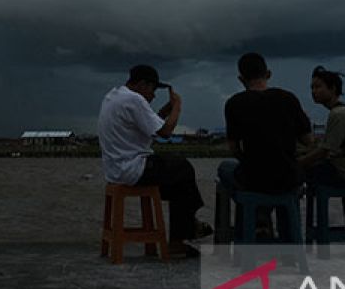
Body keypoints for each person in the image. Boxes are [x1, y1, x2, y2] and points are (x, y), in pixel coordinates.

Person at [97, 64, 208, 256]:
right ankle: (182, 234)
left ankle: (186, 227)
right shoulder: (134, 100)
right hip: (133, 168)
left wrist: (166, 110)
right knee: (183, 168)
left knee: (178, 178)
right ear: (142, 85)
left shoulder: (114, 96)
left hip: (116, 170)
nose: (153, 95)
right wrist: (178, 107)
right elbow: (164, 132)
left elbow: (149, 124)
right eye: (153, 90)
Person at [219, 53, 313, 194]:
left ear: (241, 79)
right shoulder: (289, 98)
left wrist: (247, 161)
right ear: (268, 74)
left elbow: (234, 148)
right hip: (289, 178)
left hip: (254, 178)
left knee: (225, 168)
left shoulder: (234, 103)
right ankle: (284, 214)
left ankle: (253, 212)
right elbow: (308, 140)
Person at [298, 65, 345, 187]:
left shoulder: (339, 114)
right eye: (312, 88)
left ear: (333, 89)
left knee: (294, 174)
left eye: (318, 87)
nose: (313, 91)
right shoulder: (342, 111)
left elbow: (324, 152)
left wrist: (297, 164)